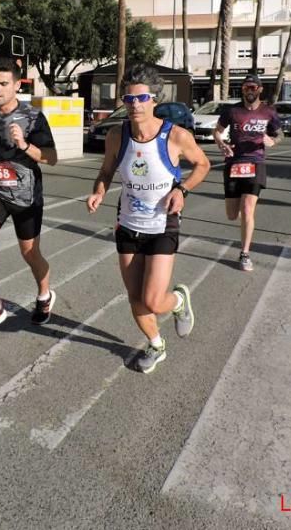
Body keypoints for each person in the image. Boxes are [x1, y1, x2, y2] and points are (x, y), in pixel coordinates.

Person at [86, 65, 210, 374]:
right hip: (127, 223)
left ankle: (179, 301)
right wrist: (98, 191)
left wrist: (182, 189)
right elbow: (106, 171)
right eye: (128, 98)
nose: (134, 105)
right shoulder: (117, 136)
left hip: (162, 224)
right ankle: (156, 344)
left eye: (141, 98)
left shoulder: (176, 136)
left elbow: (203, 164)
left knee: (153, 300)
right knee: (134, 297)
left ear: (154, 99)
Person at [0, 60, 58, 337]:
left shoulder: (33, 117)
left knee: (30, 254)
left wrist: (24, 145)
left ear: (18, 86)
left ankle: (44, 295)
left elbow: (52, 158)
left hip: (26, 195)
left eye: (3, 83)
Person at [213, 74, 281, 273]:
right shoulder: (232, 111)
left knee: (248, 208)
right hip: (234, 163)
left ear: (259, 89)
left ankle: (244, 254)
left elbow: (280, 133)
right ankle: (243, 228)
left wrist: (273, 141)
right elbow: (217, 131)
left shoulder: (268, 112)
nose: (249, 91)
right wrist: (221, 144)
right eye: (245, 88)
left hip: (256, 162)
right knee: (232, 214)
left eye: (252, 87)